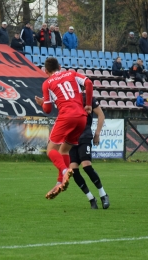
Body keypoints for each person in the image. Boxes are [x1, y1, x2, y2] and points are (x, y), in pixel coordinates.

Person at [34, 57, 93, 200]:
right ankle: (60, 182)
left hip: (67, 116)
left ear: (45, 71)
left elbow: (47, 109)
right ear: (60, 66)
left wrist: (42, 103)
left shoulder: (47, 83)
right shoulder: (71, 73)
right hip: (81, 118)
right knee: (64, 150)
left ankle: (65, 170)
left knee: (51, 150)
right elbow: (89, 83)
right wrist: (89, 104)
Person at [69, 94, 109, 209]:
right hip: (70, 137)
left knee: (86, 166)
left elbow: (101, 114)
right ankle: (91, 199)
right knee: (73, 170)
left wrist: (97, 133)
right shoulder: (66, 98)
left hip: (84, 135)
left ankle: (103, 195)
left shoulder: (87, 98)